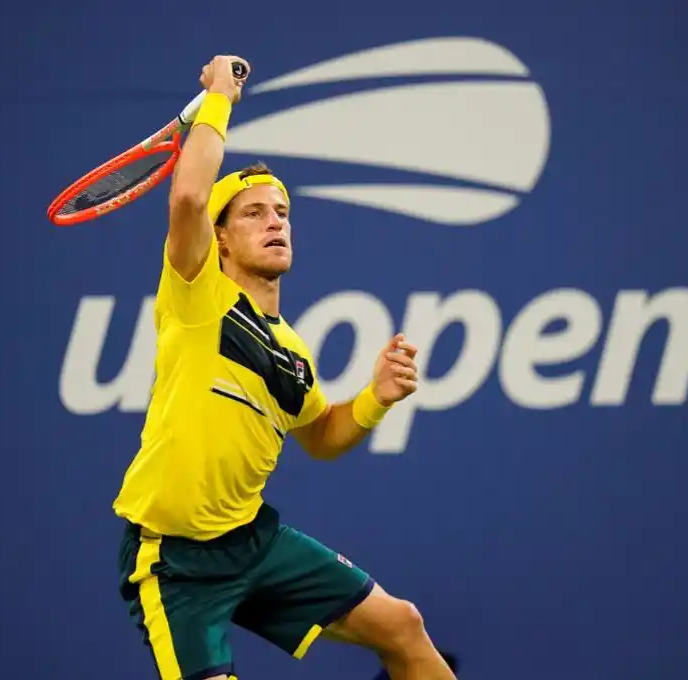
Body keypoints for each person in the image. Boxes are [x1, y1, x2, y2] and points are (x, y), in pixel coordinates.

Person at [113, 54, 457, 680]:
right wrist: (219, 98)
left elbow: (323, 436)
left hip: (254, 541)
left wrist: (374, 397)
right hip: (176, 563)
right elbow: (189, 195)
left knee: (403, 627)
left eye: (282, 213)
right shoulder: (198, 297)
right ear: (218, 239)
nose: (275, 221)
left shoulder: (292, 352)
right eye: (253, 212)